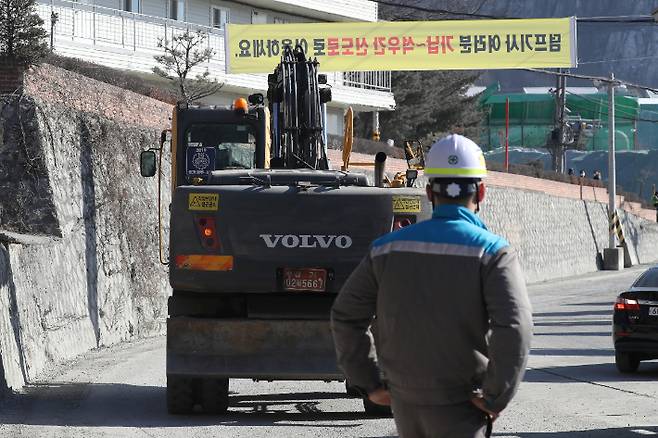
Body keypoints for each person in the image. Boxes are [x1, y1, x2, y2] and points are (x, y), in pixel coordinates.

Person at [331, 134, 533, 438]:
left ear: (428, 191)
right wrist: (495, 396)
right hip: (464, 404)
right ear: (481, 191)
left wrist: (369, 382)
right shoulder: (492, 253)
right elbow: (515, 327)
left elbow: (346, 315)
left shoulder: (385, 250)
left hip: (405, 402)